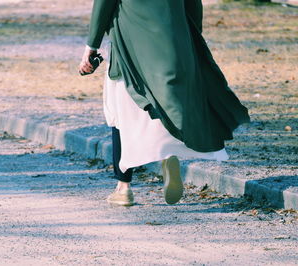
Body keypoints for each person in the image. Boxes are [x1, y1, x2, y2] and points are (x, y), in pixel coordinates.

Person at [79, 0, 250, 206]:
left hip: (130, 40)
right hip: (172, 40)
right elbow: (194, 5)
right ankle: (167, 157)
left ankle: (123, 187)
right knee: (166, 102)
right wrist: (189, 37)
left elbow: (104, 4)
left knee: (122, 112)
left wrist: (92, 45)